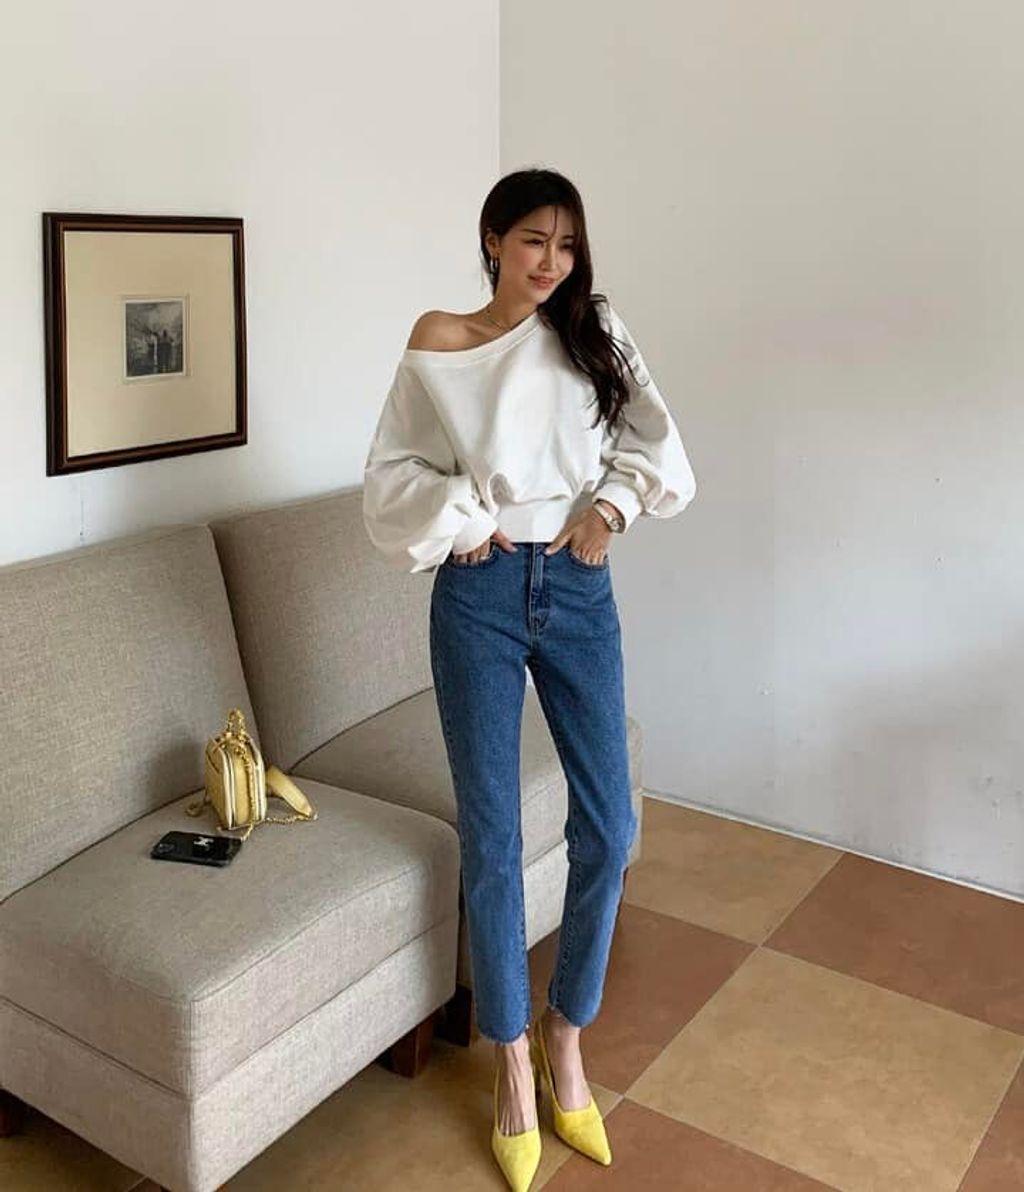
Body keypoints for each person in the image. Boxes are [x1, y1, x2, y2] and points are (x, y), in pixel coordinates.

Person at [362, 168, 697, 1191]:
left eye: (565, 243)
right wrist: (462, 520)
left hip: (579, 585)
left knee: (610, 824)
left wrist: (611, 511)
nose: (551, 261)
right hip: (479, 595)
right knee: (495, 833)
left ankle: (565, 1034)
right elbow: (392, 474)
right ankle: (510, 1057)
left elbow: (653, 441)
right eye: (532, 241)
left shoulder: (594, 327)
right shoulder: (441, 340)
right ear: (493, 242)